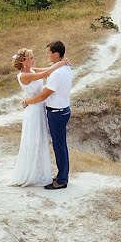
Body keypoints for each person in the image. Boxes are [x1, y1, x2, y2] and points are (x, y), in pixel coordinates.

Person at [8, 48, 69, 187]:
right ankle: (32, 173)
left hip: (39, 108)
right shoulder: (24, 75)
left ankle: (39, 171)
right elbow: (47, 73)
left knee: (40, 140)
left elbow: (47, 69)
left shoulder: (31, 70)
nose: (33, 59)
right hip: (34, 110)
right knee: (34, 140)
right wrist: (61, 63)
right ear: (24, 62)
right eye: (30, 57)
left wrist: (61, 63)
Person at [22, 41, 73, 190]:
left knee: (59, 146)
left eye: (48, 53)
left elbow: (43, 95)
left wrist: (27, 101)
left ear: (56, 54)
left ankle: (62, 180)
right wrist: (27, 68)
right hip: (62, 110)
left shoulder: (57, 73)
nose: (46, 55)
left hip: (57, 113)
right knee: (61, 145)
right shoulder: (65, 67)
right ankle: (62, 175)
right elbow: (44, 71)